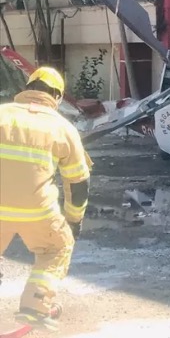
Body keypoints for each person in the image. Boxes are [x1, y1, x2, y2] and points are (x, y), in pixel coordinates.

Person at [0, 67, 92, 330]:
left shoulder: (1, 113)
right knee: (56, 249)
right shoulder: (63, 128)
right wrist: (74, 221)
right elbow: (78, 181)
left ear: (28, 87)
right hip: (37, 211)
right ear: (58, 97)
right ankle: (35, 305)